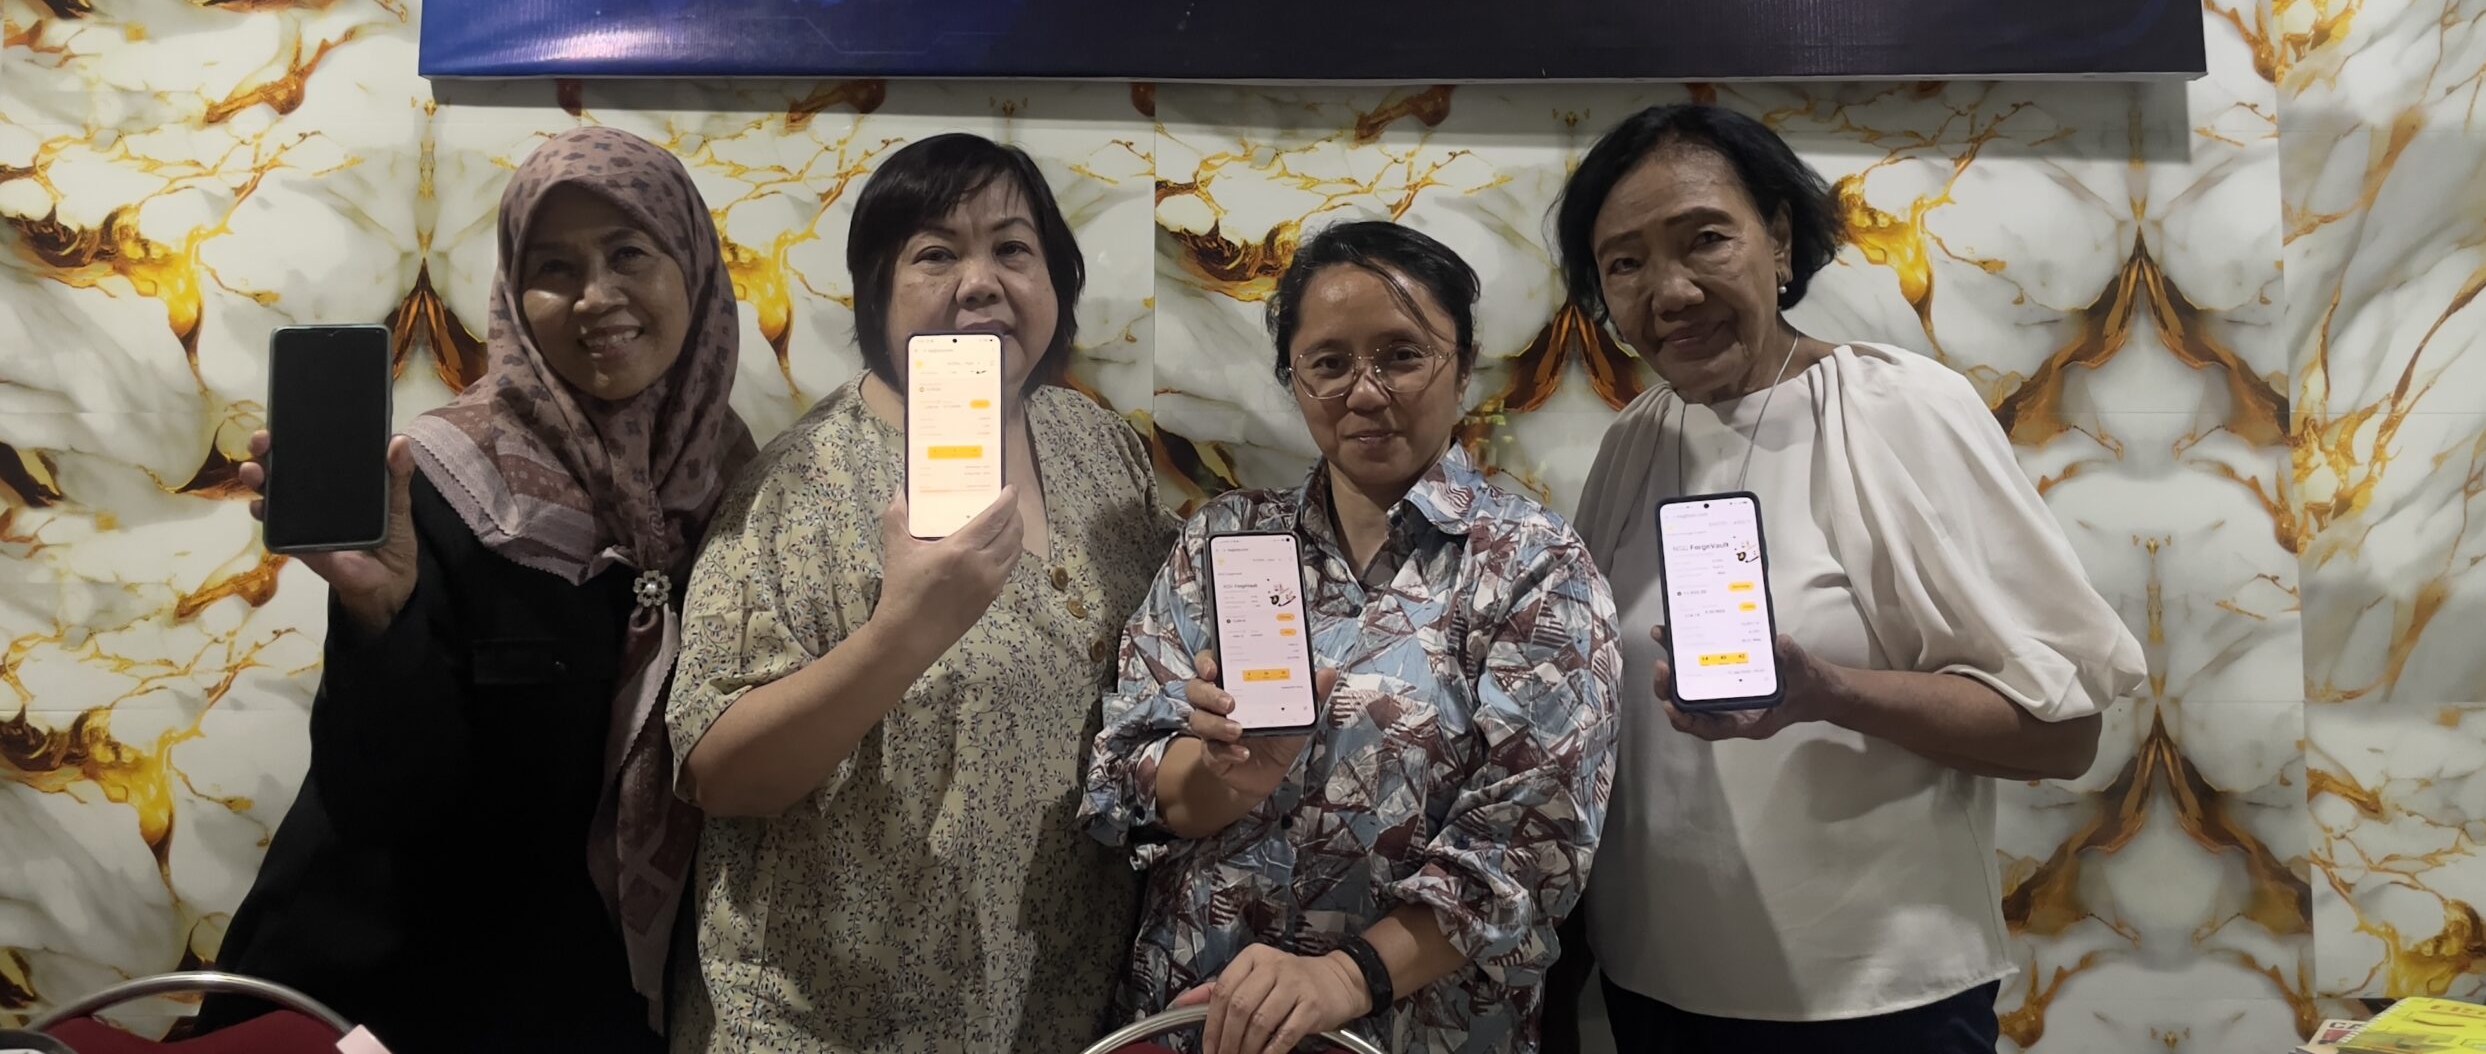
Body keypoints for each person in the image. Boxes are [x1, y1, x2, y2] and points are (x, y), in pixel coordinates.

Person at [1547, 104, 2147, 1054]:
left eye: (1705, 240)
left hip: (1878, 1000)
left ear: (1780, 239)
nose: (1671, 291)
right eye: (1624, 263)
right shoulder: (1636, 442)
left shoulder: (1898, 411)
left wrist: (1829, 693)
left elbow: (2064, 734)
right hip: (1656, 986)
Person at [206, 126, 757, 1051]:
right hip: (389, 992)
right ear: (512, 293)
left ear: (693, 267)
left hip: (595, 998)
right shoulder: (438, 482)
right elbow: (382, 802)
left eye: (629, 253)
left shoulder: (736, 487)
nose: (595, 297)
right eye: (554, 267)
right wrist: (379, 614)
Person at [668, 133, 1173, 1054]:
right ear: (878, 293)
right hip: (832, 1023)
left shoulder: (1100, 451)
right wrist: (901, 636)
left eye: (1012, 248)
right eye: (936, 254)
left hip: (1056, 1010)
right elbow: (719, 773)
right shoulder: (800, 487)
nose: (981, 283)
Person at [1085, 219, 1621, 1054]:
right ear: (1292, 379)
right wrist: (1227, 780)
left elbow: (1532, 843)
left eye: (1402, 356)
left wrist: (1342, 978)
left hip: (1414, 1027)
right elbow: (1126, 772)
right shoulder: (1225, 537)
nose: (1365, 393)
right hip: (1199, 1017)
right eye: (1329, 363)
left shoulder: (1532, 565)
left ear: (1463, 368)